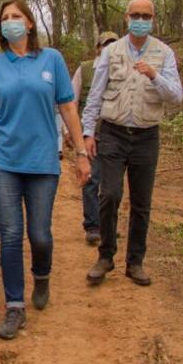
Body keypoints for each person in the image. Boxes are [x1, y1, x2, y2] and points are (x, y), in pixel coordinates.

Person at [0, 0, 91, 340]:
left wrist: (81, 152)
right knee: (10, 233)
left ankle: (42, 274)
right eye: (4, 17)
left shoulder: (51, 59)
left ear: (30, 23)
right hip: (1, 161)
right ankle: (14, 307)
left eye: (16, 16)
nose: (10, 22)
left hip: (42, 162)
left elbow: (67, 108)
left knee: (39, 234)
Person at [82, 0, 183, 287]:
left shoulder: (164, 53)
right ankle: (105, 256)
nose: (141, 20)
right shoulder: (111, 52)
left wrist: (155, 76)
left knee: (141, 202)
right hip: (113, 133)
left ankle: (135, 262)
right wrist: (89, 133)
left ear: (153, 19)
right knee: (109, 194)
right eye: (135, 15)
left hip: (146, 137)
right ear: (126, 18)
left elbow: (176, 96)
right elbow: (95, 95)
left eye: (146, 15)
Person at [72, 31, 118, 246]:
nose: (108, 48)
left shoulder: (123, 68)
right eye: (104, 45)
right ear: (97, 48)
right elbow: (72, 100)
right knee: (91, 180)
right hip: (91, 134)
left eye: (113, 44)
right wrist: (70, 132)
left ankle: (107, 226)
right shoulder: (86, 69)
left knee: (112, 186)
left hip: (115, 135)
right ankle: (92, 226)